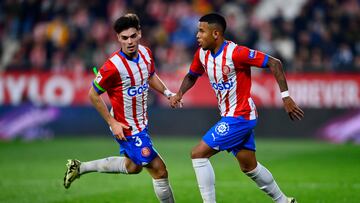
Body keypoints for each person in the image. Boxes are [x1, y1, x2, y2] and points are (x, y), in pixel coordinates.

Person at [170, 13, 304, 203]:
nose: (197, 35)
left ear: (216, 33)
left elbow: (275, 63)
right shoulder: (202, 54)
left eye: (201, 31)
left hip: (240, 115)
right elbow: (192, 75)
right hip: (230, 115)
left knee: (198, 154)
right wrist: (179, 93)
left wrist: (286, 97)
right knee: (249, 167)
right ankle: (284, 201)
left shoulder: (236, 53)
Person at [63, 13, 175, 203]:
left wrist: (168, 93)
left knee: (133, 167)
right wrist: (112, 122)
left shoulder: (146, 53)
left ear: (139, 33)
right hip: (126, 127)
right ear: (118, 38)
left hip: (141, 123)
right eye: (124, 38)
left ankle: (79, 168)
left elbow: (150, 76)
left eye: (132, 36)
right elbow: (93, 94)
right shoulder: (112, 67)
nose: (129, 41)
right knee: (159, 170)